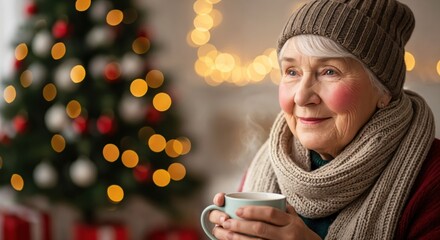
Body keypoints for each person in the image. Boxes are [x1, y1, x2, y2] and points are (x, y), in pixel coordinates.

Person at [206, 0, 440, 239]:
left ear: (383, 91)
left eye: (330, 71)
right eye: (292, 72)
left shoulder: (432, 177)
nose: (302, 96)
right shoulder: (269, 164)